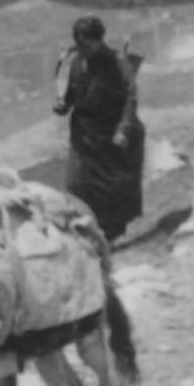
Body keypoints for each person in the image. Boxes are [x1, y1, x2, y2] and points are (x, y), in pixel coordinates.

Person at [53, 16, 146, 241]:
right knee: (78, 185)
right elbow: (73, 92)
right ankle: (84, 230)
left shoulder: (117, 63)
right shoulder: (77, 61)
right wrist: (64, 104)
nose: (83, 49)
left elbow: (130, 99)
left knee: (110, 191)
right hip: (83, 136)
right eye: (79, 44)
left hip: (109, 135)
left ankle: (111, 235)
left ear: (98, 40)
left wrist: (123, 130)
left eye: (86, 44)